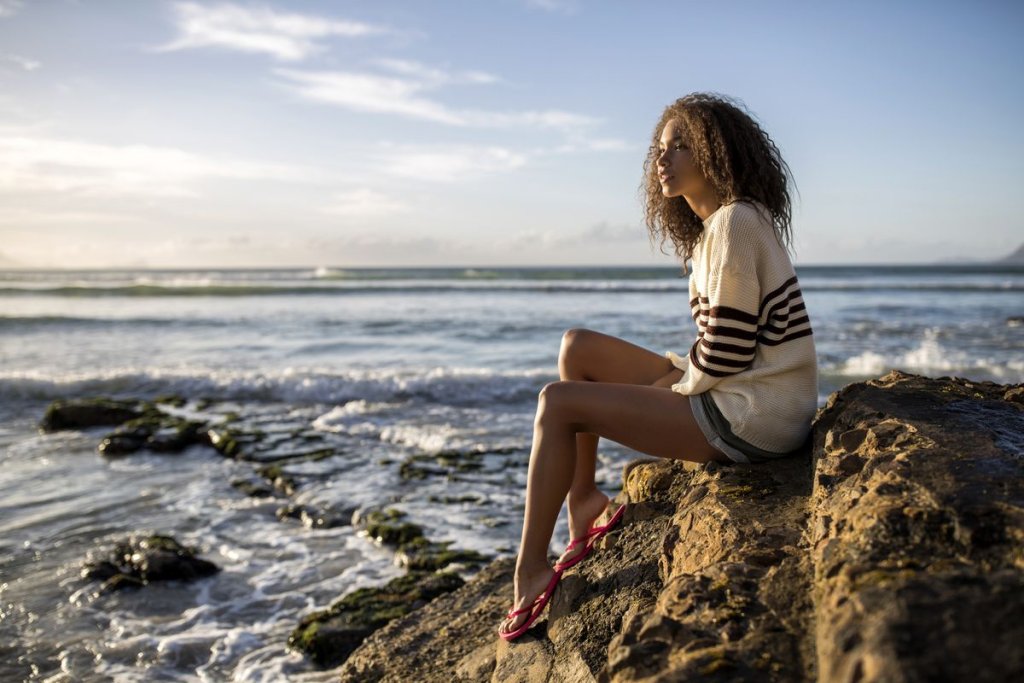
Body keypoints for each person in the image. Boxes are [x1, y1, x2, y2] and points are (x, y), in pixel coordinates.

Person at [497, 92, 818, 641]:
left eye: (681, 146)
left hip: (753, 416)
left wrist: (678, 381)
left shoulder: (735, 222)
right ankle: (585, 503)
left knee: (558, 403)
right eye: (660, 149)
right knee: (577, 347)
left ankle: (529, 572)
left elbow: (730, 351)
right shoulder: (719, 227)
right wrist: (680, 377)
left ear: (717, 153)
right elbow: (726, 345)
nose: (662, 160)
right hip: (741, 393)